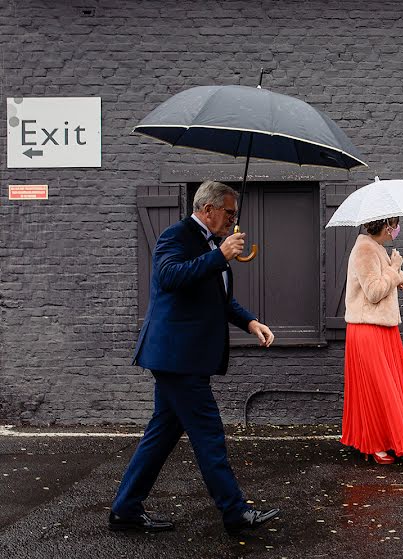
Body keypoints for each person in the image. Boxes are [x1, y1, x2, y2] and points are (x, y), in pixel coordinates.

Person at [110, 181, 279, 535]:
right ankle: (234, 511)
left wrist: (250, 322)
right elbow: (169, 277)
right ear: (208, 209)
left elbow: (218, 298)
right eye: (230, 212)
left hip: (181, 357)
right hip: (177, 357)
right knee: (208, 433)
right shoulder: (177, 236)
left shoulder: (210, 245)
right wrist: (220, 256)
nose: (234, 220)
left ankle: (126, 509)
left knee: (162, 433)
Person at [340, 216, 403, 464]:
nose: (398, 229)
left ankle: (382, 441)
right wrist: (394, 269)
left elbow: (383, 280)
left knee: (385, 388)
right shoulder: (364, 249)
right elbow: (373, 292)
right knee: (377, 389)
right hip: (368, 329)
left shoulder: (376, 248)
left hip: (380, 328)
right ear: (386, 227)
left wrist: (400, 277)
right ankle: (374, 445)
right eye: (395, 224)